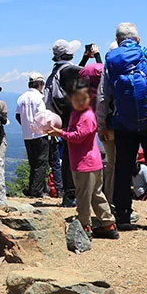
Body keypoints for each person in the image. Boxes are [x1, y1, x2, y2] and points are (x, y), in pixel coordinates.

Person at [96, 22, 147, 232]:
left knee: (124, 167)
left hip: (123, 123)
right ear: (138, 39)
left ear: (117, 40)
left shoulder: (112, 60)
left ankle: (123, 215)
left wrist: (102, 124)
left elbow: (103, 95)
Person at [47, 76, 118, 239]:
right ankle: (108, 225)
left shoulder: (86, 115)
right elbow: (75, 132)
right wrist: (61, 131)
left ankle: (85, 227)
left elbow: (78, 136)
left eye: (83, 99)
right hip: (90, 162)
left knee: (83, 197)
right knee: (96, 195)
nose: (80, 102)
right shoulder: (77, 114)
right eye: (76, 99)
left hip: (85, 164)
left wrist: (60, 133)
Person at [46, 39, 84, 206]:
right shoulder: (70, 70)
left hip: (62, 118)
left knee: (67, 155)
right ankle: (73, 193)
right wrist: (96, 56)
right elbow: (96, 73)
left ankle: (69, 194)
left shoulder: (56, 72)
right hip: (74, 117)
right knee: (75, 155)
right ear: (69, 54)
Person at [17, 72, 51, 198]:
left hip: (27, 135)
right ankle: (37, 190)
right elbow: (42, 116)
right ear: (40, 84)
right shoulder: (39, 98)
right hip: (40, 134)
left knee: (33, 162)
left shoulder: (21, 97)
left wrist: (27, 125)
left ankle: (32, 187)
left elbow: (17, 115)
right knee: (41, 162)